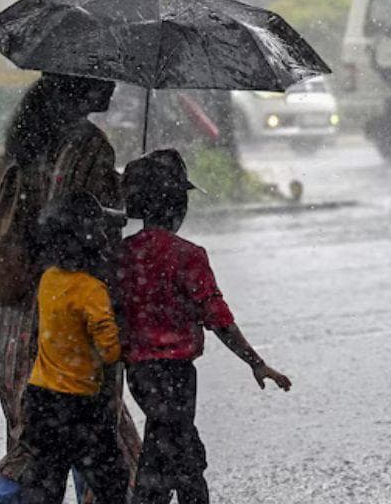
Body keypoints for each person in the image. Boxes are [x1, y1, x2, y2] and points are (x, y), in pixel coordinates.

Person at [0, 73, 141, 504]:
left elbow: (39, 215)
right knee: (97, 427)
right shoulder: (89, 146)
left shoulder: (26, 138)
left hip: (19, 304)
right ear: (80, 86)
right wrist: (124, 198)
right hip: (73, 303)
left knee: (34, 432)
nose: (113, 86)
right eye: (103, 77)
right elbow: (90, 227)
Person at [116, 149, 292, 504]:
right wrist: (255, 362)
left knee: (165, 443)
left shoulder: (122, 253)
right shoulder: (188, 255)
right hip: (177, 375)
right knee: (180, 453)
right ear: (177, 207)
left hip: (138, 373)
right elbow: (218, 318)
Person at [18, 191, 130, 504]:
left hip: (40, 400)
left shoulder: (48, 280)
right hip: (81, 406)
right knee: (111, 482)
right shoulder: (92, 290)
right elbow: (110, 351)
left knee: (45, 482)